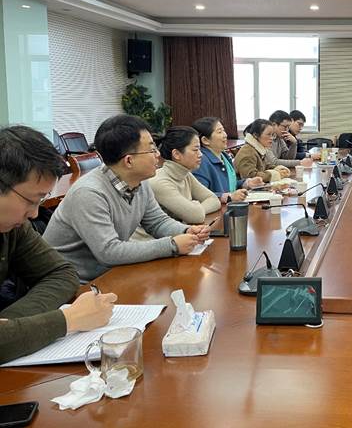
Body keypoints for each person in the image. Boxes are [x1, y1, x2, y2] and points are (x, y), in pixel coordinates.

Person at [0, 125, 116, 364]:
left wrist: (13, 328)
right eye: (31, 200)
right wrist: (69, 320)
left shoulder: (14, 227)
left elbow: (62, 273)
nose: (34, 214)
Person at [44, 115, 210, 281]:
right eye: (152, 150)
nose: (158, 155)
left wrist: (185, 231)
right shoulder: (89, 193)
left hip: (111, 273)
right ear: (129, 161)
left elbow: (157, 222)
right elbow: (109, 252)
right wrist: (172, 245)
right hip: (74, 282)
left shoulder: (140, 182)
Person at [149, 126, 223, 224]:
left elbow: (214, 200)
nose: (200, 154)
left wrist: (195, 208)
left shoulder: (186, 174)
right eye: (195, 150)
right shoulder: (159, 182)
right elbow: (195, 216)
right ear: (176, 154)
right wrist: (194, 210)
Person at [191, 117, 262, 204]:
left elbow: (229, 184)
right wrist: (228, 197)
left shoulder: (224, 156)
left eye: (223, 130)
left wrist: (247, 183)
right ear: (205, 140)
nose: (225, 135)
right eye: (219, 132)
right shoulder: (200, 161)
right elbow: (200, 196)